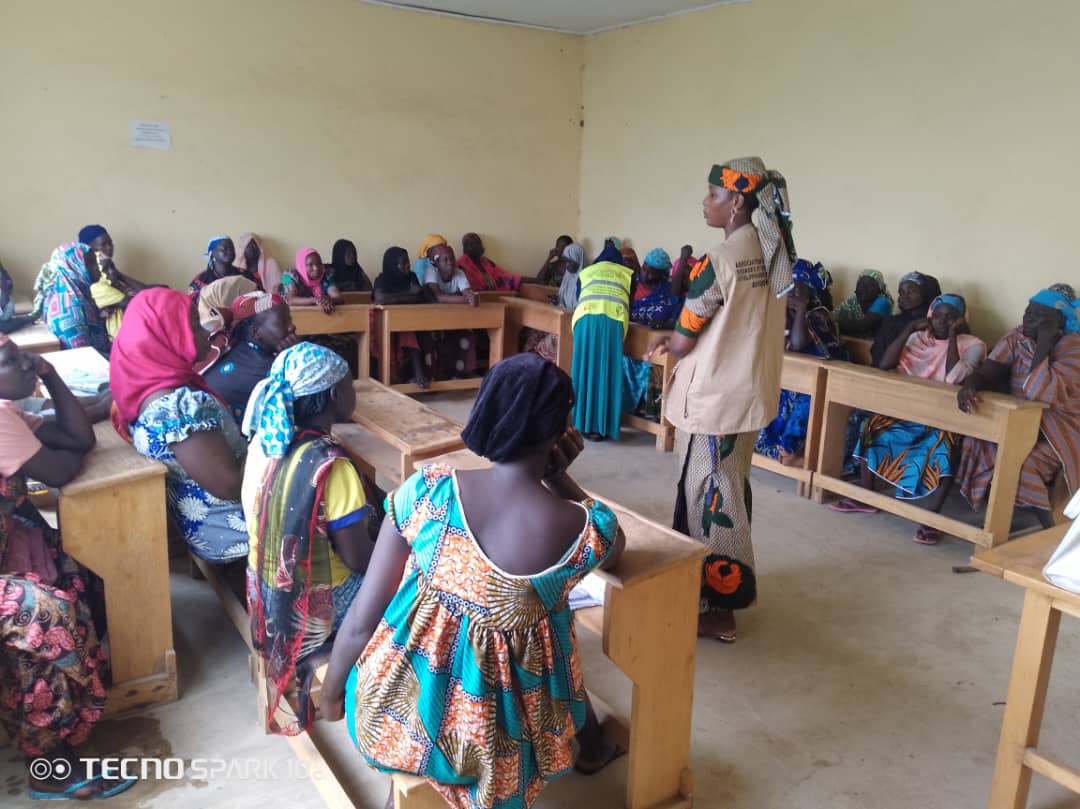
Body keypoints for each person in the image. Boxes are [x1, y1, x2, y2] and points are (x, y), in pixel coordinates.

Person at [321, 353, 625, 809]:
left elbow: (364, 621)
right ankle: (591, 744)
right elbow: (615, 545)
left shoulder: (427, 491)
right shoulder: (578, 527)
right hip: (496, 748)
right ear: (561, 430)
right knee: (554, 622)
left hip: (399, 712)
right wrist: (561, 476)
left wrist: (331, 697)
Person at [645, 157, 795, 643]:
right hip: (747, 394)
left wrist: (669, 339)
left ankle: (720, 609)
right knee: (727, 486)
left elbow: (688, 336)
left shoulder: (721, 260)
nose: (705, 203)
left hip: (714, 402)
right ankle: (701, 591)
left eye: (713, 195)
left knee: (714, 499)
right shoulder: (774, 254)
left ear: (737, 203)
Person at [0, 334, 137, 800]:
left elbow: (77, 438)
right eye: (11, 360)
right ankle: (48, 762)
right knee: (44, 613)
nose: (25, 363)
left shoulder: (10, 413)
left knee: (78, 574)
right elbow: (59, 470)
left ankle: (67, 721)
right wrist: (59, 454)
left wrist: (48, 374)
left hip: (11, 542)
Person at [242, 342, 379, 735]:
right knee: (414, 582)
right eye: (352, 385)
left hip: (265, 586)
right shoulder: (330, 466)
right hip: (316, 601)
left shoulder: (265, 441)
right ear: (337, 394)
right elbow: (360, 561)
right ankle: (341, 654)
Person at [832, 294, 986, 544]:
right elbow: (885, 364)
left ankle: (932, 520)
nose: (942, 321)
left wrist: (954, 337)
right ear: (929, 315)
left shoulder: (973, 344)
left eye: (950, 317)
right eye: (937, 315)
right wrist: (908, 328)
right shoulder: (917, 338)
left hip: (944, 419)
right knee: (872, 425)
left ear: (961, 320)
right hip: (909, 410)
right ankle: (865, 497)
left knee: (946, 446)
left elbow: (952, 379)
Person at [110, 288, 248, 563]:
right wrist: (265, 437)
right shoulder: (179, 410)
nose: (203, 332)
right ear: (167, 336)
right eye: (193, 325)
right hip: (231, 530)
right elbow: (230, 485)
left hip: (203, 522)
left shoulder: (146, 389)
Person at [955, 286, 1080, 528]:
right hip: (1019, 421)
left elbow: (1040, 393)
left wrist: (1044, 342)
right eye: (1027, 310)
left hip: (1059, 430)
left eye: (1038, 315)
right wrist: (971, 384)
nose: (1027, 318)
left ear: (1060, 323)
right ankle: (995, 515)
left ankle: (1048, 528)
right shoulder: (1017, 337)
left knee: (1021, 463)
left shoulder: (1073, 348)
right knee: (976, 440)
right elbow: (990, 369)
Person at [755, 259, 848, 466]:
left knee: (803, 401)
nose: (792, 294)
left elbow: (797, 345)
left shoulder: (819, 314)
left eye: (798, 290)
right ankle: (777, 449)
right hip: (793, 376)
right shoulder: (781, 313)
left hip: (825, 379)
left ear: (810, 293)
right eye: (789, 288)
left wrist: (801, 311)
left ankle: (796, 453)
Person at [202, 291, 297, 422]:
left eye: (290, 319)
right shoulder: (268, 372)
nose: (292, 327)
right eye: (283, 322)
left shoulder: (236, 349)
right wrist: (295, 359)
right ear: (255, 332)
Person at [571, 249, 632, 442]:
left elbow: (578, 298)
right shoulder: (625, 274)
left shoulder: (587, 272)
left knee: (583, 370)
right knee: (607, 371)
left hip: (584, 320)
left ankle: (580, 423)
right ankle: (602, 427)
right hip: (612, 322)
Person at [623, 247, 680, 420]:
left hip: (655, 343)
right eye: (645, 269)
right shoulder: (632, 285)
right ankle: (626, 409)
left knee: (655, 365)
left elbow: (676, 318)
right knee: (624, 360)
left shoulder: (667, 291)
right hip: (631, 339)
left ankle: (651, 412)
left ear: (662, 274)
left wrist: (664, 324)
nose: (646, 275)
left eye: (652, 273)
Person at [373, 247, 432, 387]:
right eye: (403, 263)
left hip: (411, 320)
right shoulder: (382, 279)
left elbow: (419, 297)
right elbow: (381, 299)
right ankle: (418, 375)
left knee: (415, 331)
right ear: (393, 265)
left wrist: (396, 298)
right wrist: (408, 294)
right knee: (408, 332)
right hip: (385, 323)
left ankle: (425, 374)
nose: (408, 265)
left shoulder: (411, 276)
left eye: (408, 262)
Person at [424, 244, 479, 380]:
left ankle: (461, 373)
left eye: (452, 259)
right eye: (445, 260)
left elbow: (468, 294)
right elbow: (439, 297)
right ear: (436, 263)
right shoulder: (431, 272)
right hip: (432, 319)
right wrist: (467, 299)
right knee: (434, 337)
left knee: (467, 333)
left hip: (454, 318)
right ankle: (437, 375)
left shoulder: (459, 273)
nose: (450, 263)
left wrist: (471, 297)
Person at [43, 242, 110, 355]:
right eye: (90, 264)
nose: (98, 268)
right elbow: (83, 356)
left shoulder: (71, 294)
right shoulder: (72, 308)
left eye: (95, 262)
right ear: (73, 267)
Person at [869, 271, 943, 367]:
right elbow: (878, 358)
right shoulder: (890, 322)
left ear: (925, 293)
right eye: (901, 292)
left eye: (912, 291)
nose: (905, 296)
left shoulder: (936, 325)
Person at [190, 236, 261, 298]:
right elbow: (192, 307)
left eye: (232, 248)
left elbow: (261, 296)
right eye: (224, 249)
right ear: (212, 254)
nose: (230, 251)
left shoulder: (245, 275)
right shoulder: (200, 281)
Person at [834, 269, 893, 336]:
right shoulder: (852, 302)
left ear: (879, 288)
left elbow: (863, 326)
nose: (864, 288)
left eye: (870, 285)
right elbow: (833, 316)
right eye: (860, 284)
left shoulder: (883, 302)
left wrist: (833, 324)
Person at [457, 232, 521, 292]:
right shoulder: (462, 264)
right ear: (465, 248)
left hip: (497, 287)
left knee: (516, 279)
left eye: (478, 243)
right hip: (480, 294)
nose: (477, 247)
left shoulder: (485, 261)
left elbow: (501, 275)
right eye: (471, 244)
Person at [0, 262, 36, 334]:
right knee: (3, 327)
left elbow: (7, 285)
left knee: (3, 326)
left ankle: (28, 319)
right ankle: (27, 319)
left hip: (4, 308)